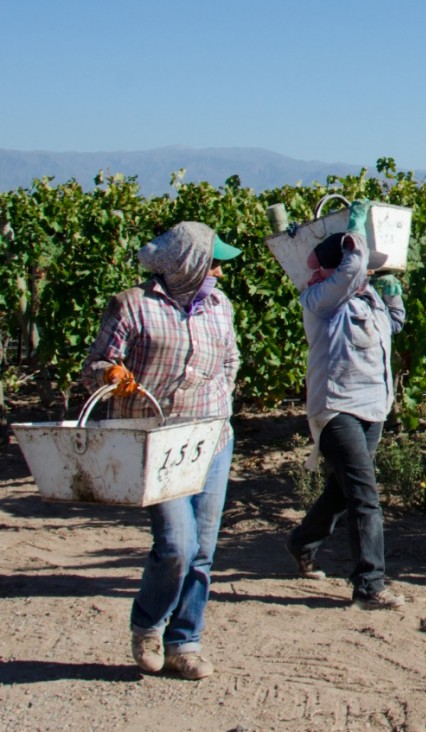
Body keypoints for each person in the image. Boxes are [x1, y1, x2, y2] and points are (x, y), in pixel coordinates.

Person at [82, 221, 241, 680]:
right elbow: (95, 364)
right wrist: (111, 376)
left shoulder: (218, 305)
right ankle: (148, 624)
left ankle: (184, 642)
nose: (218, 272)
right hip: (156, 440)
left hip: (210, 439)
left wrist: (219, 407)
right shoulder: (132, 307)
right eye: (212, 263)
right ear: (188, 267)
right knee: (177, 544)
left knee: (204, 550)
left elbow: (229, 360)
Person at [285, 201, 407, 610]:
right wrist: (355, 234)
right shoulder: (319, 299)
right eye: (360, 263)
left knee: (342, 490)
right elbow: (351, 268)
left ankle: (302, 542)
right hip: (336, 406)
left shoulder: (366, 297)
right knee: (364, 496)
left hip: (374, 406)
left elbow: (393, 327)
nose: (367, 270)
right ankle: (369, 585)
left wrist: (393, 295)